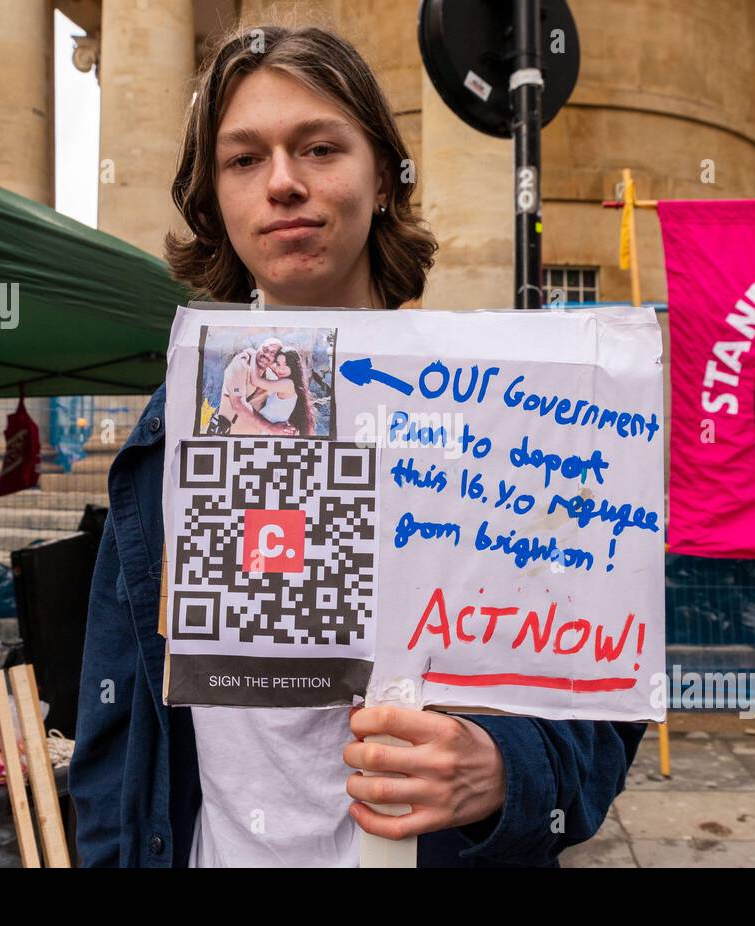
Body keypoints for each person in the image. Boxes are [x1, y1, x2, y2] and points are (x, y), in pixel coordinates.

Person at [69, 21, 647, 868]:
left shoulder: (504, 415)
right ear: (215, 200)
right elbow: (114, 730)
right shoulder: (175, 425)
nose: (282, 183)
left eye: (319, 148)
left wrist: (506, 769)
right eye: (243, 159)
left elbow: (602, 703)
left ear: (382, 177)